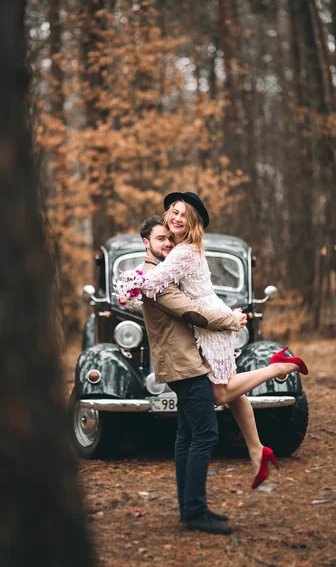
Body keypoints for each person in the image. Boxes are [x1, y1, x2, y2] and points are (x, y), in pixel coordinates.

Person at [141, 193, 309, 489]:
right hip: (214, 315)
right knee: (234, 393)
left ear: (192, 223)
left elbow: (151, 283)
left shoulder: (182, 253)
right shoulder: (187, 248)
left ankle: (277, 368)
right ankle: (257, 450)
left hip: (210, 324)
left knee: (219, 394)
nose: (176, 217)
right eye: (173, 211)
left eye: (183, 215)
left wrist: (130, 283)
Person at [140, 215, 247, 535]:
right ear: (146, 243)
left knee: (187, 435)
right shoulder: (152, 277)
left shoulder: (162, 272)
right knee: (206, 434)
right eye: (161, 239)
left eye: (169, 239)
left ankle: (191, 508)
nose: (167, 243)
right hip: (183, 364)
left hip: (186, 361)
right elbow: (190, 312)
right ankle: (195, 511)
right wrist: (231, 320)